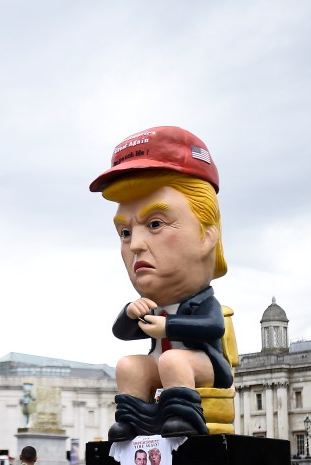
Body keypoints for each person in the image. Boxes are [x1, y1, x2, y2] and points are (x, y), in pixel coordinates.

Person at [90, 126, 230, 439]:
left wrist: (169, 328)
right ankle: (133, 419)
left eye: (155, 224)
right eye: (125, 233)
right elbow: (121, 334)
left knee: (174, 359)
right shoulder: (152, 304)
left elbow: (213, 327)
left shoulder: (202, 301)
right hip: (161, 363)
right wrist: (130, 313)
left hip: (203, 366)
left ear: (206, 235)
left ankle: (182, 416)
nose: (135, 245)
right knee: (129, 365)